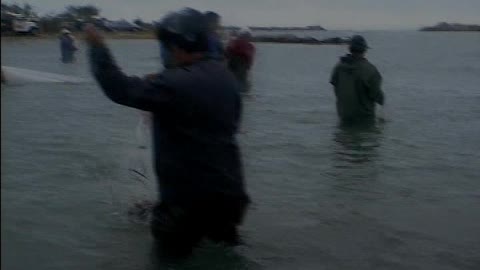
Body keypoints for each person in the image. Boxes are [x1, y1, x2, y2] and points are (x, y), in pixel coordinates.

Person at [85, 8, 250, 258]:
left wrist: (98, 47)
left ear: (175, 46)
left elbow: (118, 88)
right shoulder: (226, 79)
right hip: (230, 199)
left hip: (185, 208)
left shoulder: (174, 84)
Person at [330, 35, 385, 123]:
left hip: (344, 116)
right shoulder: (370, 69)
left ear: (350, 49)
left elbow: (335, 87)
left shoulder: (339, 67)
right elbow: (377, 95)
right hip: (364, 119)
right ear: (364, 50)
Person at [226, 27, 256, 92]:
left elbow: (250, 61)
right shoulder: (234, 43)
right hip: (234, 68)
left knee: (242, 86)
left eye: (247, 36)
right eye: (244, 36)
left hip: (242, 69)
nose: (246, 38)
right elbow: (227, 54)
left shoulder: (250, 46)